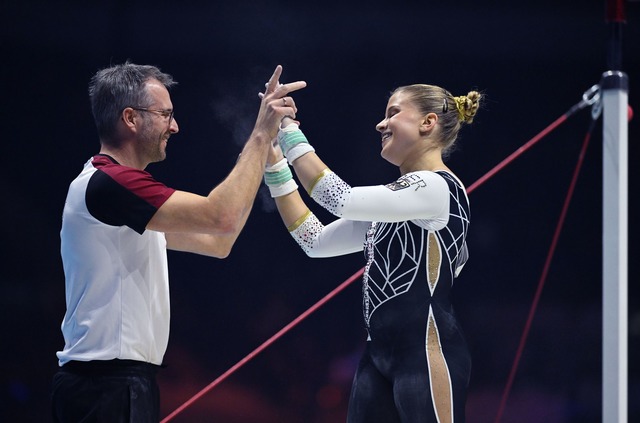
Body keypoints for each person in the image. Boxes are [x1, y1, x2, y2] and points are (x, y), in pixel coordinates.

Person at [51, 62, 305, 422]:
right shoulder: (110, 183)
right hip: (104, 385)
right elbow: (222, 216)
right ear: (130, 118)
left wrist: (262, 152)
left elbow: (219, 241)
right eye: (165, 114)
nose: (175, 126)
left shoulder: (122, 194)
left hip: (119, 383)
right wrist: (260, 134)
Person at [263, 83, 481, 422]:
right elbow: (314, 240)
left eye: (393, 113)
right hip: (377, 356)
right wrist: (274, 162)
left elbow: (339, 198)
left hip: (426, 350)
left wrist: (289, 129)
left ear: (428, 122)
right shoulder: (397, 205)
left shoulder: (437, 187)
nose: (381, 124)